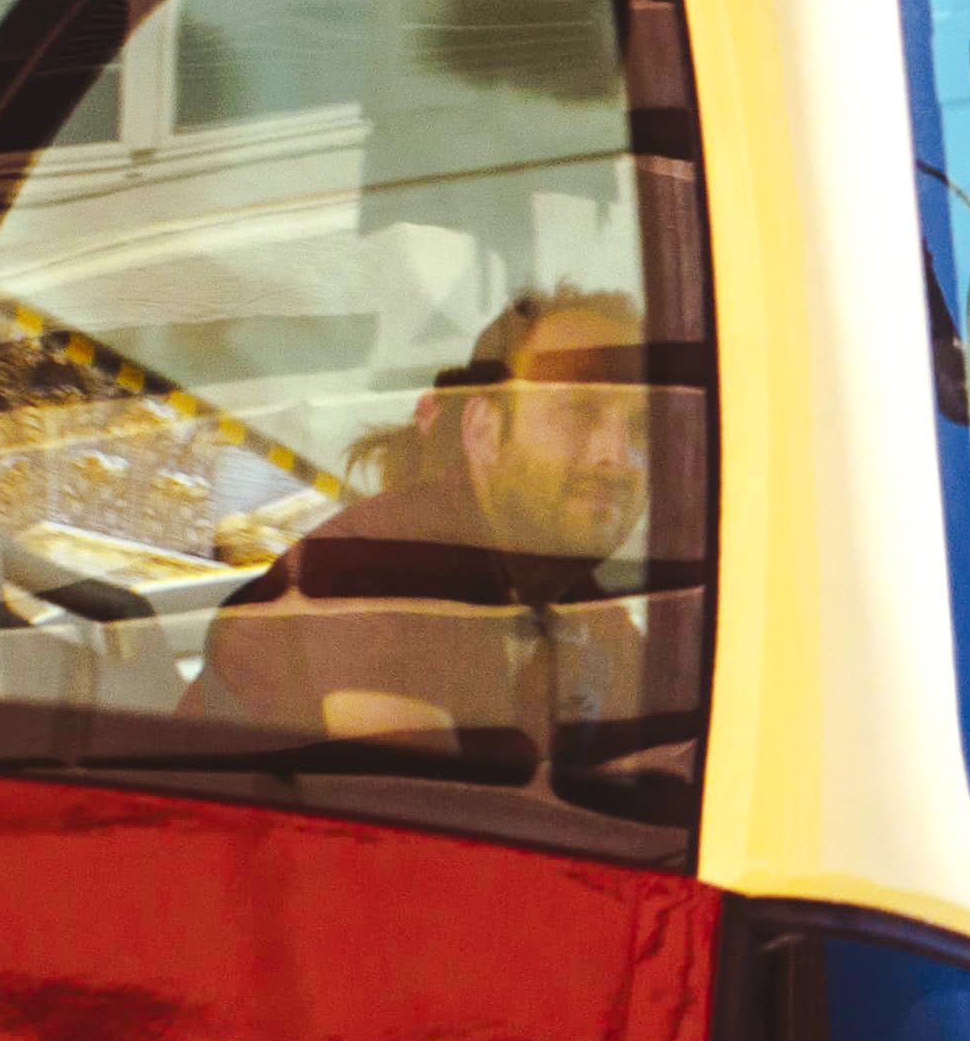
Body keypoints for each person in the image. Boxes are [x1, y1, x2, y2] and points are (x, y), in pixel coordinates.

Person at [195, 290, 673, 782]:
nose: (617, 455)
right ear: (485, 431)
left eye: (641, 426)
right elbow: (414, 823)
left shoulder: (592, 618)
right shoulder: (379, 562)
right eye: (579, 412)